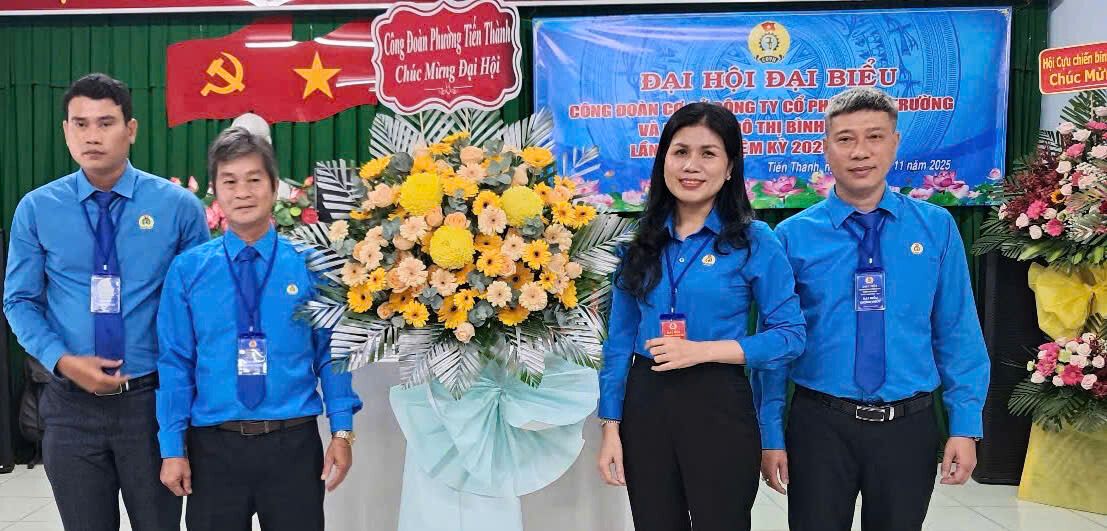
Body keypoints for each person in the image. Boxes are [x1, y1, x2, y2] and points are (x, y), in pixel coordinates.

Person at [756, 86, 990, 531]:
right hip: (820, 425)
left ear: (895, 143)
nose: (860, 152)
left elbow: (957, 332)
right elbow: (775, 347)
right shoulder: (790, 237)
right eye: (845, 139)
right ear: (825, 149)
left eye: (875, 137)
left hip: (909, 424)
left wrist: (964, 425)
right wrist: (770, 434)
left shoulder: (936, 227)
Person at [3, 73, 208, 530]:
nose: (92, 136)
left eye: (105, 122)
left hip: (151, 406)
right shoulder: (37, 209)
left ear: (131, 129)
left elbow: (199, 309)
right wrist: (63, 361)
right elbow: (19, 300)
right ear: (65, 131)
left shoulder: (178, 208)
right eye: (80, 124)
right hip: (68, 405)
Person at [595, 102, 806, 531]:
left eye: (708, 153)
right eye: (680, 152)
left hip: (718, 403)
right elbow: (618, 341)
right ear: (663, 161)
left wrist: (704, 351)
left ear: (730, 168)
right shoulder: (636, 242)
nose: (692, 166)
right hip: (646, 403)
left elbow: (790, 336)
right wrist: (611, 425)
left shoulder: (754, 241)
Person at [156, 127, 362, 531]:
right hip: (213, 447)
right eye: (229, 181)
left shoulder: (310, 266)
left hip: (293, 445)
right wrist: (171, 448)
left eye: (254, 179)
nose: (243, 192)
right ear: (215, 190)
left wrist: (342, 431)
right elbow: (176, 361)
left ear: (274, 187)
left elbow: (333, 353)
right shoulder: (188, 270)